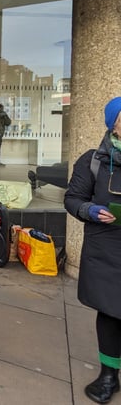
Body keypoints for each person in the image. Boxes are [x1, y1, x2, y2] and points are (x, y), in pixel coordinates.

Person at [65, 97, 121, 403]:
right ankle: (109, 375)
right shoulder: (93, 160)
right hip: (107, 247)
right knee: (111, 311)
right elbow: (72, 198)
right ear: (113, 123)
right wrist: (90, 210)